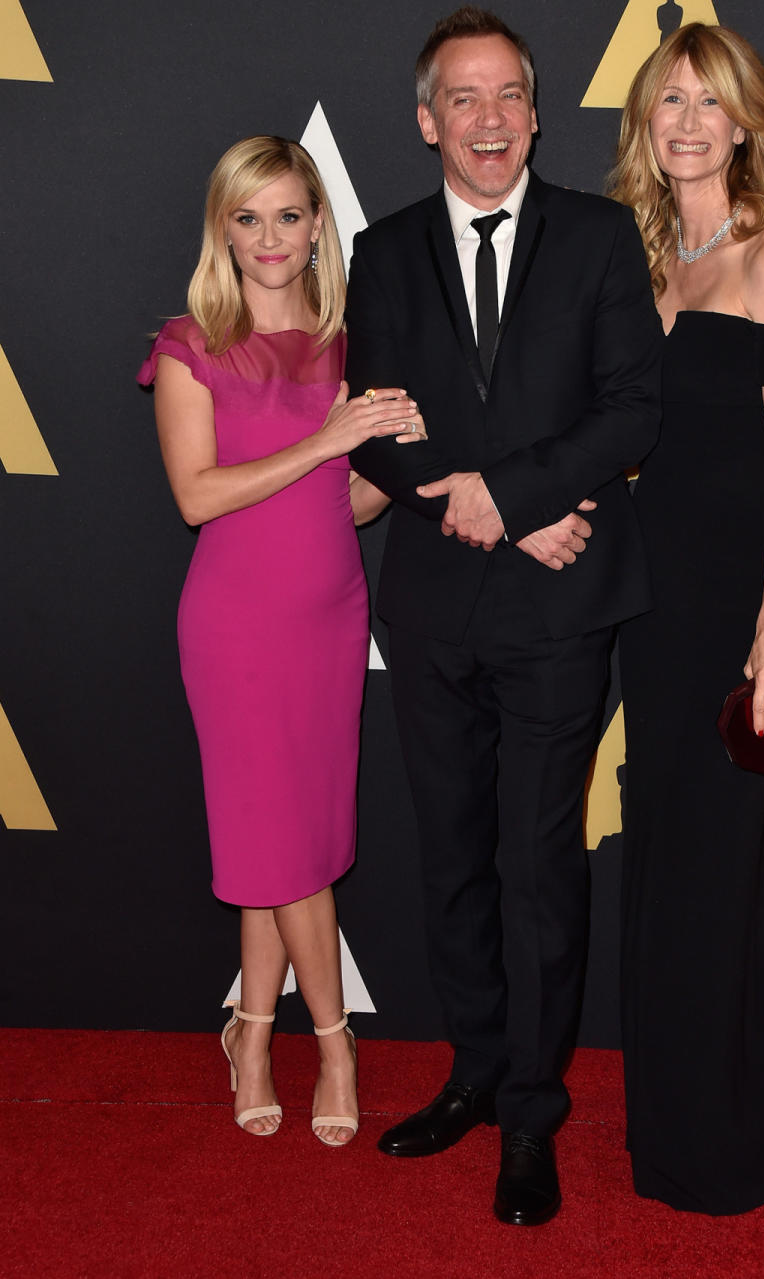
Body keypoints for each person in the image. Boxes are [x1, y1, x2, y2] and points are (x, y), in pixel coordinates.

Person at [345, 6, 662, 1225]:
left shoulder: (598, 237)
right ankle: (475, 1070)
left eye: (509, 96)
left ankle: (532, 1112)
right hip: (434, 608)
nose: (489, 119)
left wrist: (519, 496)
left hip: (563, 606)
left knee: (538, 868)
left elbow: (634, 407)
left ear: (537, 111)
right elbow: (386, 416)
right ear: (428, 121)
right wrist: (490, 508)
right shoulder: (384, 251)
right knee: (453, 863)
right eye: (463, 99)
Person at [138, 136, 425, 1144]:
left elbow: (341, 503)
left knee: (284, 839)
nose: (269, 236)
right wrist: (325, 440)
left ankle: (251, 1028)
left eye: (288, 215)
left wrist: (390, 454)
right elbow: (197, 496)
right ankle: (336, 1041)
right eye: (248, 216)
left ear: (317, 229)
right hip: (236, 624)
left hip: (331, 616)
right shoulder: (189, 343)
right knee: (291, 846)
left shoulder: (348, 343)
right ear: (225, 227)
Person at [609, 22, 764, 1213]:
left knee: (711, 871)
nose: (688, 121)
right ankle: (673, 1122)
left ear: (747, 123)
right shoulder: (653, 255)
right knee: (669, 863)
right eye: (669, 101)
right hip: (657, 598)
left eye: (710, 102)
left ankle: (716, 1144)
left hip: (744, 605)